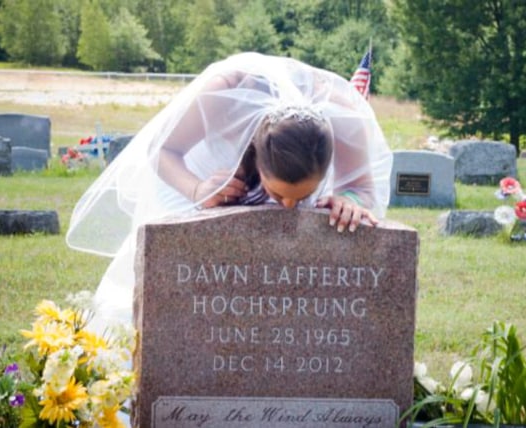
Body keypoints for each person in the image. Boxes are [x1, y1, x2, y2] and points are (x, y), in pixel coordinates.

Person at [66, 52, 393, 333]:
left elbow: (362, 187)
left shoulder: (343, 114)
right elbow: (163, 150)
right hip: (196, 180)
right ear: (258, 157)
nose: (290, 208)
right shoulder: (225, 91)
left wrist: (349, 200)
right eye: (279, 196)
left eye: (301, 196)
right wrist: (197, 189)